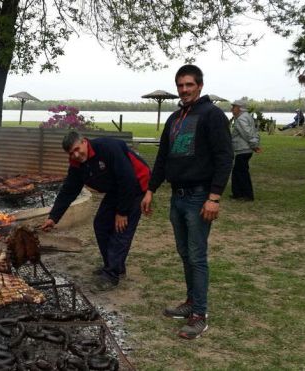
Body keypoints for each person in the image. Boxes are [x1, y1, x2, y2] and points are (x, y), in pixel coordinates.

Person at [141, 65, 233, 340]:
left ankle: (199, 316)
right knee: (185, 253)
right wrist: (150, 189)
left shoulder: (213, 116)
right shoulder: (174, 119)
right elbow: (162, 158)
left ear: (200, 86)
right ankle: (191, 302)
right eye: (180, 85)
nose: (184, 90)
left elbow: (225, 157)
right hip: (177, 197)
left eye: (189, 84)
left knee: (197, 255)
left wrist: (214, 196)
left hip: (199, 196)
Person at [41, 131, 151, 291]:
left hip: (136, 185)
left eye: (77, 149)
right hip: (117, 188)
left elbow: (127, 179)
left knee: (121, 229)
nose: (76, 155)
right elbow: (69, 190)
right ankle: (113, 266)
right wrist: (53, 217)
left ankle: (111, 274)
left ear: (84, 142)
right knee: (100, 224)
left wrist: (122, 212)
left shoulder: (107, 148)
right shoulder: (76, 164)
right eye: (71, 153)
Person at [230, 99, 261, 201]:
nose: (231, 109)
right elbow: (254, 131)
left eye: (234, 107)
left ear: (240, 108)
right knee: (237, 172)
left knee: (241, 173)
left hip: (243, 149)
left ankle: (247, 195)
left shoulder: (241, 119)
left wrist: (254, 145)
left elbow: (247, 133)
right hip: (244, 149)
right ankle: (237, 193)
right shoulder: (247, 116)